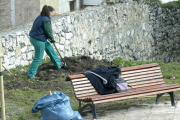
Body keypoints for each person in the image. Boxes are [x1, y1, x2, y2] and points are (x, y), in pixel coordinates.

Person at [27, 5, 65, 79]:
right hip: (38, 40)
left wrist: (49, 39)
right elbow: (48, 31)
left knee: (50, 48)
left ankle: (58, 64)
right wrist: (52, 39)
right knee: (38, 58)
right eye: (52, 12)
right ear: (49, 12)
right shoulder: (46, 20)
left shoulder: (40, 17)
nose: (52, 13)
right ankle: (31, 75)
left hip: (36, 38)